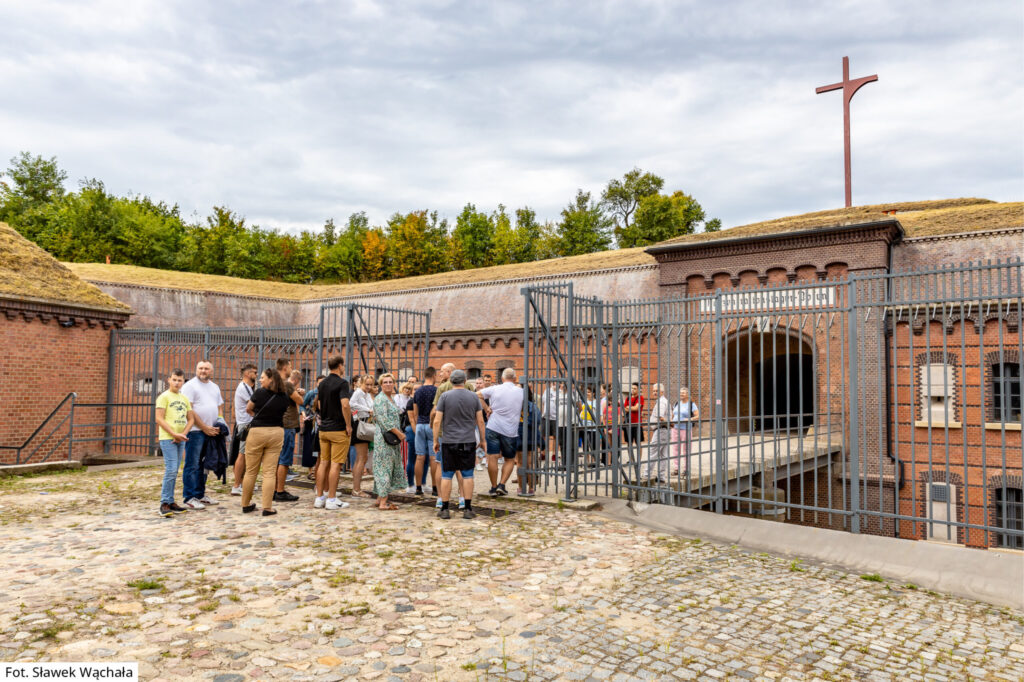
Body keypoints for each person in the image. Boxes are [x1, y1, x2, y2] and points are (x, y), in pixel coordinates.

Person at [432, 370, 484, 520]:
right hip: (468, 440)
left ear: (451, 381)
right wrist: (483, 439)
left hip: (449, 440)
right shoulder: (473, 396)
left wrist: (436, 440)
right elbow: (480, 420)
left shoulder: (445, 396)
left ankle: (445, 508)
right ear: (466, 380)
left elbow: (437, 420)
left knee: (446, 475)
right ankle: (467, 508)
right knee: (468, 474)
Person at [242, 368, 290, 516]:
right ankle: (267, 507)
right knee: (269, 472)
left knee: (251, 471)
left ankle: (245, 504)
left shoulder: (259, 393)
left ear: (271, 379)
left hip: (257, 432)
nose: (260, 380)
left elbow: (248, 408)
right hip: (276, 432)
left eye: (263, 377)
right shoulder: (284, 396)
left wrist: (256, 416)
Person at [181, 360, 224, 509]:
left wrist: (220, 422)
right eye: (200, 368)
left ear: (211, 371)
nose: (203, 371)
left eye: (206, 368)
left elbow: (219, 407)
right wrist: (204, 427)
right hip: (195, 432)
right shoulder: (189, 386)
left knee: (205, 465)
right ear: (196, 369)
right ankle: (189, 496)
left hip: (211, 431)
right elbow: (189, 411)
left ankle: (200, 494)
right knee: (192, 464)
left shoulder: (215, 387)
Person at [314, 356, 352, 511]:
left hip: (324, 429)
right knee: (336, 464)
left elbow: (319, 403)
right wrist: (348, 424)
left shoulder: (322, 384)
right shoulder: (343, 383)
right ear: (340, 366)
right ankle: (331, 498)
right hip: (338, 428)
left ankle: (319, 497)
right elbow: (345, 404)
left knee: (324, 463)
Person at [478, 367, 523, 496]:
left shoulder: (494, 388)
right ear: (514, 379)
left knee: (492, 457)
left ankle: (493, 487)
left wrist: (487, 408)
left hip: (493, 426)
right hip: (510, 430)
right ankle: (502, 485)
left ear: (502, 378)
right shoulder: (520, 391)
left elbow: (477, 395)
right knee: (509, 459)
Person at [155, 369, 193, 517]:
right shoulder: (164, 397)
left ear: (183, 382)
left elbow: (191, 419)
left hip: (180, 438)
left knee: (175, 470)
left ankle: (171, 501)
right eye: (174, 379)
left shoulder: (184, 399)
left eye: (180, 380)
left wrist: (182, 434)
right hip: (168, 438)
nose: (177, 383)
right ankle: (164, 503)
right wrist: (173, 433)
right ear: (169, 380)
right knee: (170, 469)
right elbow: (159, 418)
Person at [272, 359, 304, 502]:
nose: (291, 368)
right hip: (288, 424)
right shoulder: (287, 384)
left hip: (276, 423)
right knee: (284, 460)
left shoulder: (273, 381)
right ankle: (280, 490)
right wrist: (298, 393)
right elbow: (300, 401)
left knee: (275, 460)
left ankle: (273, 489)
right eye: (290, 366)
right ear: (285, 367)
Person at [373, 373, 406, 510]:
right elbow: (383, 421)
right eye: (385, 382)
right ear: (381, 385)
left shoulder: (391, 398)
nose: (388, 384)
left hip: (392, 438)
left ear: (394, 383)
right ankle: (383, 502)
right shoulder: (380, 399)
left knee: (388, 467)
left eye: (390, 382)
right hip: (384, 438)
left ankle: (379, 498)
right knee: (384, 468)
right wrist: (399, 434)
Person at [230, 363, 257, 496]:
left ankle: (244, 482)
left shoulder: (248, 387)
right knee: (242, 454)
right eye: (254, 372)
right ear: (247, 374)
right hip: (245, 424)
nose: (256, 375)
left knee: (247, 454)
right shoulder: (243, 387)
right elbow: (253, 404)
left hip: (247, 423)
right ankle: (236, 485)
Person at [411, 367, 438, 497]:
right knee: (433, 458)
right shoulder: (436, 390)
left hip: (420, 424)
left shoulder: (418, 391)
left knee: (420, 457)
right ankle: (434, 488)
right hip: (432, 425)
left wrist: (418, 424)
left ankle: (418, 487)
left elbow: (415, 413)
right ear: (434, 376)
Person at [349, 374, 376, 497]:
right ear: (361, 383)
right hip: (360, 425)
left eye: (371, 384)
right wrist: (367, 409)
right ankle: (356, 489)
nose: (369, 387)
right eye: (367, 384)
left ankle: (356, 488)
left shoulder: (366, 394)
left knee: (362, 458)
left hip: (365, 424)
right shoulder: (359, 392)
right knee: (361, 458)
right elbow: (351, 404)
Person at [516, 387, 544, 496]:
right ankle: (531, 488)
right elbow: (538, 421)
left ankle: (520, 487)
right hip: (531, 435)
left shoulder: (515, 405)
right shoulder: (533, 406)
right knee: (530, 462)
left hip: (518, 434)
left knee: (519, 462)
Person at [397, 379, 421, 493]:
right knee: (405, 454)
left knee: (411, 456)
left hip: (409, 427)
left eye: (409, 389)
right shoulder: (398, 398)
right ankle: (404, 478)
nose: (407, 390)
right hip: (402, 427)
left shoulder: (412, 400)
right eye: (406, 388)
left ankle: (410, 479)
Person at [645, 383, 671, 483]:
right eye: (654, 391)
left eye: (656, 391)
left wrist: (667, 423)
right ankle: (661, 477)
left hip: (661, 430)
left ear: (662, 392)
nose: (654, 392)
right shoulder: (665, 401)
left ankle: (646, 475)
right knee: (663, 454)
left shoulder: (661, 402)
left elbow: (661, 417)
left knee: (653, 452)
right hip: (665, 430)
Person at [671, 387, 699, 475]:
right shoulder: (676, 403)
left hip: (686, 429)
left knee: (686, 449)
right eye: (680, 392)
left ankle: (686, 469)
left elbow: (697, 416)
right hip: (675, 428)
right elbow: (673, 415)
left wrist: (690, 419)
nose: (681, 394)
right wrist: (671, 422)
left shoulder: (691, 404)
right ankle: (676, 469)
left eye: (683, 393)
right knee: (675, 448)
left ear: (687, 394)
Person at [301, 375, 324, 480]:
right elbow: (302, 404)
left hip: (321, 423)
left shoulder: (326, 393)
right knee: (309, 446)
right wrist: (303, 414)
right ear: (316, 383)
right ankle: (310, 471)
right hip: (311, 423)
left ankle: (317, 469)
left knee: (319, 447)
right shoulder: (311, 393)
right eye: (320, 382)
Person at [622, 382, 645, 465]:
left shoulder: (640, 398)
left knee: (638, 443)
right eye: (632, 388)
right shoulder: (628, 398)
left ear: (638, 390)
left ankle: (639, 460)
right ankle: (631, 460)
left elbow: (636, 408)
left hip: (637, 424)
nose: (633, 390)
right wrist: (629, 408)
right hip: (628, 424)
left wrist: (629, 408)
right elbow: (624, 410)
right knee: (629, 443)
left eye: (635, 389)